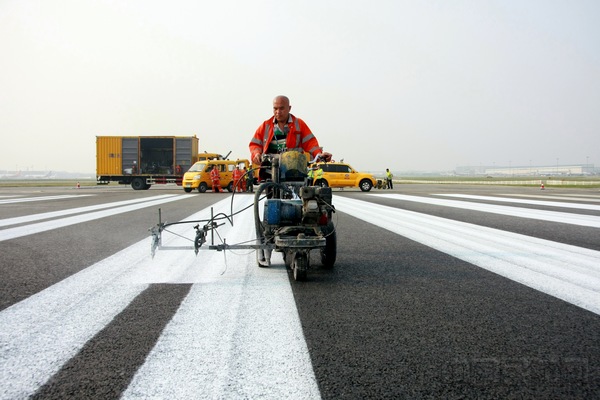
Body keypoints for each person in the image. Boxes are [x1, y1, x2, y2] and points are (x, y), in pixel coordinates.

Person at [249, 95, 331, 175]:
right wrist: (256, 154)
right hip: (270, 172)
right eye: (275, 108)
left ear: (289, 108)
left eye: (281, 108)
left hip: (294, 171)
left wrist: (319, 155)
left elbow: (311, 143)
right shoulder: (265, 126)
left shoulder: (299, 124)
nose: (278, 112)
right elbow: (255, 144)